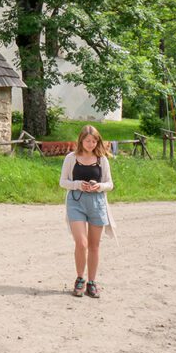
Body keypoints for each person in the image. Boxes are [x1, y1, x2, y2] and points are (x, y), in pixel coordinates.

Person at [59, 125, 115, 298]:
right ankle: (79, 279)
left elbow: (110, 184)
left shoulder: (102, 160)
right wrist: (77, 184)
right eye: (87, 140)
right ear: (81, 140)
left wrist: (99, 186)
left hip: (97, 203)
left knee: (94, 246)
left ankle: (92, 282)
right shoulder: (71, 158)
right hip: (75, 202)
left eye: (94, 141)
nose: (90, 144)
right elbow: (63, 181)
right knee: (81, 243)